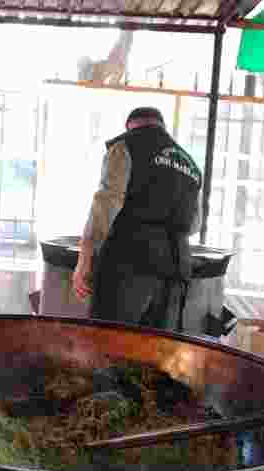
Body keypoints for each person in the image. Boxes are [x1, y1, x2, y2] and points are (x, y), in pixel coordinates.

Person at [72, 107, 203, 331]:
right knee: (155, 352)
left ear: (131, 125)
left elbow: (106, 204)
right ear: (161, 126)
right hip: (175, 270)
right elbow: (194, 225)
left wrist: (85, 257)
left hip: (129, 263)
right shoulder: (191, 165)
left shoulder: (126, 146)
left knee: (108, 344)